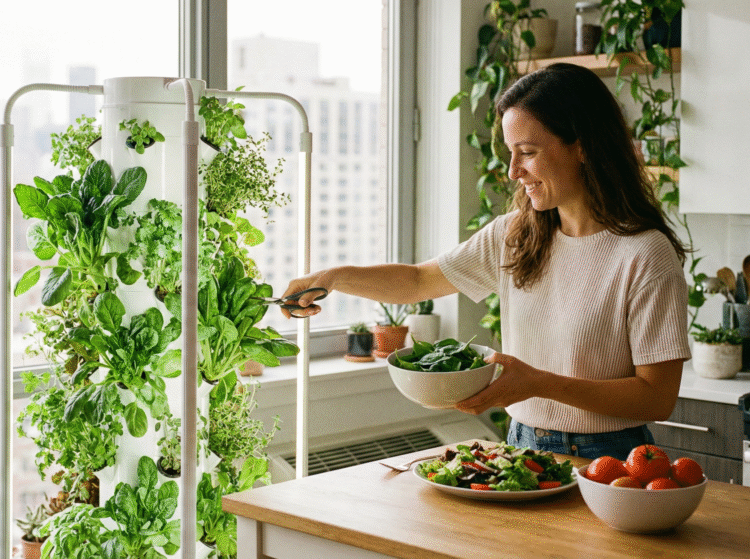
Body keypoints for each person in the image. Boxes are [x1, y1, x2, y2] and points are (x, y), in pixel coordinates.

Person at [279, 63, 691, 461]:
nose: (513, 171)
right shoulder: (515, 235)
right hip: (521, 445)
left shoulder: (645, 254)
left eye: (527, 152)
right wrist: (331, 278)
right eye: (511, 153)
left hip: (609, 458)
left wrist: (540, 384)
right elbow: (419, 282)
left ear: (581, 146)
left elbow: (656, 397)